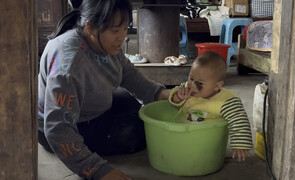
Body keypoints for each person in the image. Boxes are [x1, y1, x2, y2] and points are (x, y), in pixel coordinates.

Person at [37, 0, 170, 179]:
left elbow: (127, 73)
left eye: (125, 28)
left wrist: (160, 94)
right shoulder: (68, 67)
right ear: (90, 27)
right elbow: (58, 129)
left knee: (135, 107)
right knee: (137, 132)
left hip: (83, 110)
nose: (122, 36)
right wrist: (97, 171)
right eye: (115, 30)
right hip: (65, 127)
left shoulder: (100, 40)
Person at [169, 51, 253, 161]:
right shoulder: (187, 89)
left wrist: (240, 144)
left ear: (217, 85)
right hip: (183, 136)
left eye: (200, 83)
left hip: (208, 143)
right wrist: (178, 97)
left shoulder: (226, 100)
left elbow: (238, 119)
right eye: (191, 78)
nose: (192, 86)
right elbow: (174, 102)